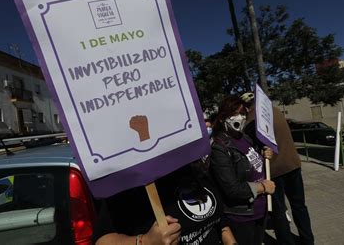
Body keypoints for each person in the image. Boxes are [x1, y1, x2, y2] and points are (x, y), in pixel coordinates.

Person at [93, 160, 238, 245]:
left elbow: (217, 216)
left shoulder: (190, 164)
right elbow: (102, 240)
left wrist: (230, 241)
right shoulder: (130, 181)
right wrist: (146, 241)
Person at [241, 92, 314, 245]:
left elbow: (249, 147)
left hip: (274, 170)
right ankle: (308, 240)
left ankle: (286, 242)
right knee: (299, 206)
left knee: (278, 211)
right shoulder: (274, 111)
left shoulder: (251, 122)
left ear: (246, 108)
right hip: (292, 164)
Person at [209, 95, 276, 245]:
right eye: (233, 114)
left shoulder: (245, 138)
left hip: (260, 210)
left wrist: (264, 155)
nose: (239, 117)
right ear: (222, 118)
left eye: (242, 113)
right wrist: (263, 187)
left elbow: (253, 166)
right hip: (241, 217)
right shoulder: (219, 148)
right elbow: (232, 189)